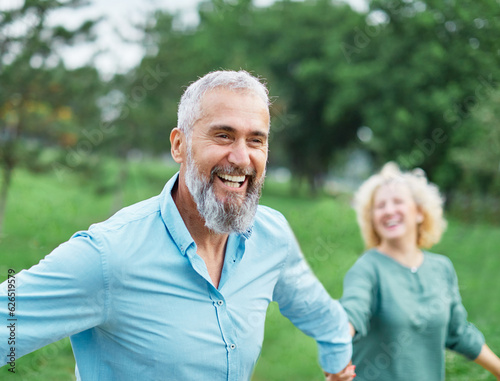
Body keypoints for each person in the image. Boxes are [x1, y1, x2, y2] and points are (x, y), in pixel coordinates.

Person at [0, 70, 355, 381]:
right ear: (179, 145)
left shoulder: (271, 235)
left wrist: (338, 362)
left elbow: (319, 311)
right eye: (223, 136)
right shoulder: (109, 256)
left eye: (256, 140)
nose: (241, 157)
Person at [340, 162, 500, 381]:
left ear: (419, 213)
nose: (389, 211)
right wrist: (338, 352)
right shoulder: (367, 268)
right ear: (371, 219)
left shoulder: (441, 268)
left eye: (397, 202)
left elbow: (458, 332)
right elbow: (351, 314)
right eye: (380, 206)